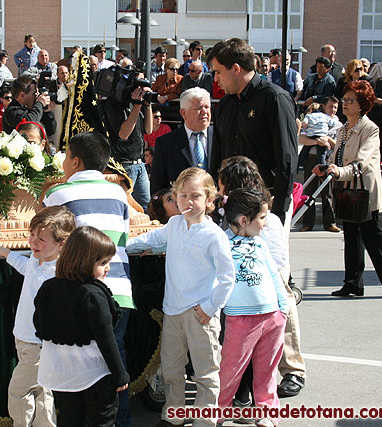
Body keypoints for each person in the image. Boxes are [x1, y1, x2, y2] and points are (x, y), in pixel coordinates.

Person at [127, 167, 235, 427]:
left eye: (195, 196)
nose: (188, 201)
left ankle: (206, 421)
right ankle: (174, 415)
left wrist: (209, 308)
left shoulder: (215, 235)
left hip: (200, 314)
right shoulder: (174, 224)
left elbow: (227, 277)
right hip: (173, 311)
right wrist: (119, 246)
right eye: (182, 195)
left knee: (205, 372)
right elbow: (151, 238)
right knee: (172, 370)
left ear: (209, 200)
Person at [42, 132, 134, 427]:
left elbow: (48, 240)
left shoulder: (58, 195)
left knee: (84, 379)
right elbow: (124, 237)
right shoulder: (119, 193)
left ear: (75, 161)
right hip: (119, 290)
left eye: (66, 157)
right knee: (114, 368)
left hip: (80, 295)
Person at [0, 206, 76, 427]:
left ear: (61, 245)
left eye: (41, 239)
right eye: (32, 235)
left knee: (18, 391)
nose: (33, 242)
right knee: (43, 389)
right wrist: (6, 253)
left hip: (38, 345)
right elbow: (26, 267)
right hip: (27, 340)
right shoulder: (38, 261)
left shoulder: (56, 276)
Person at [33, 226, 130, 426]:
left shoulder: (48, 287)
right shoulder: (93, 294)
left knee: (69, 420)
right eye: (103, 263)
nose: (108, 268)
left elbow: (38, 325)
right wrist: (120, 374)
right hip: (95, 373)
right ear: (85, 261)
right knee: (103, 421)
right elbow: (106, 339)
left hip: (62, 374)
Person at [316, 80, 382, 299]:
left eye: (351, 100)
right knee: (351, 237)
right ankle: (353, 283)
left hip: (364, 190)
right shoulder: (343, 129)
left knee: (372, 238)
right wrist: (327, 167)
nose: (345, 104)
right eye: (344, 99)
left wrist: (340, 171)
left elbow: (362, 161)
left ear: (363, 104)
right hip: (347, 189)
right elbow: (339, 157)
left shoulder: (370, 129)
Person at [217, 188, 288, 427]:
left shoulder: (259, 243)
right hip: (239, 318)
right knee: (230, 370)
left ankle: (268, 412)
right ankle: (218, 412)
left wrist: (283, 307)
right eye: (263, 217)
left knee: (267, 370)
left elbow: (273, 272)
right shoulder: (221, 242)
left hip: (272, 316)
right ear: (244, 220)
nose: (266, 223)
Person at [208, 37, 297, 225]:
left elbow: (286, 157)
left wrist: (280, 206)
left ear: (235, 69)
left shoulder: (275, 99)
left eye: (218, 72)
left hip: (266, 205)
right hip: (229, 205)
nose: (215, 79)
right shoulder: (224, 106)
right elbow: (217, 156)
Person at [150, 87, 213, 195]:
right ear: (183, 113)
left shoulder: (220, 137)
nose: (204, 112)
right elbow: (158, 186)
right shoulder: (166, 143)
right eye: (198, 108)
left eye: (207, 107)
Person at [101, 82, 153, 210]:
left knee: (146, 208)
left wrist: (147, 105)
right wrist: (137, 106)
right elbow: (123, 134)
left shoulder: (137, 105)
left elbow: (149, 129)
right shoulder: (114, 105)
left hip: (140, 164)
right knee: (123, 207)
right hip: (124, 165)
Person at [298, 97, 342, 233]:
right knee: (309, 191)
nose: (333, 110)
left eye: (335, 107)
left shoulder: (338, 125)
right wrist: (317, 142)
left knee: (327, 193)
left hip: (328, 159)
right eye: (331, 107)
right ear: (324, 106)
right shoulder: (313, 120)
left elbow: (339, 146)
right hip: (311, 158)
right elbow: (302, 138)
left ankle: (330, 223)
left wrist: (327, 139)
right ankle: (307, 223)